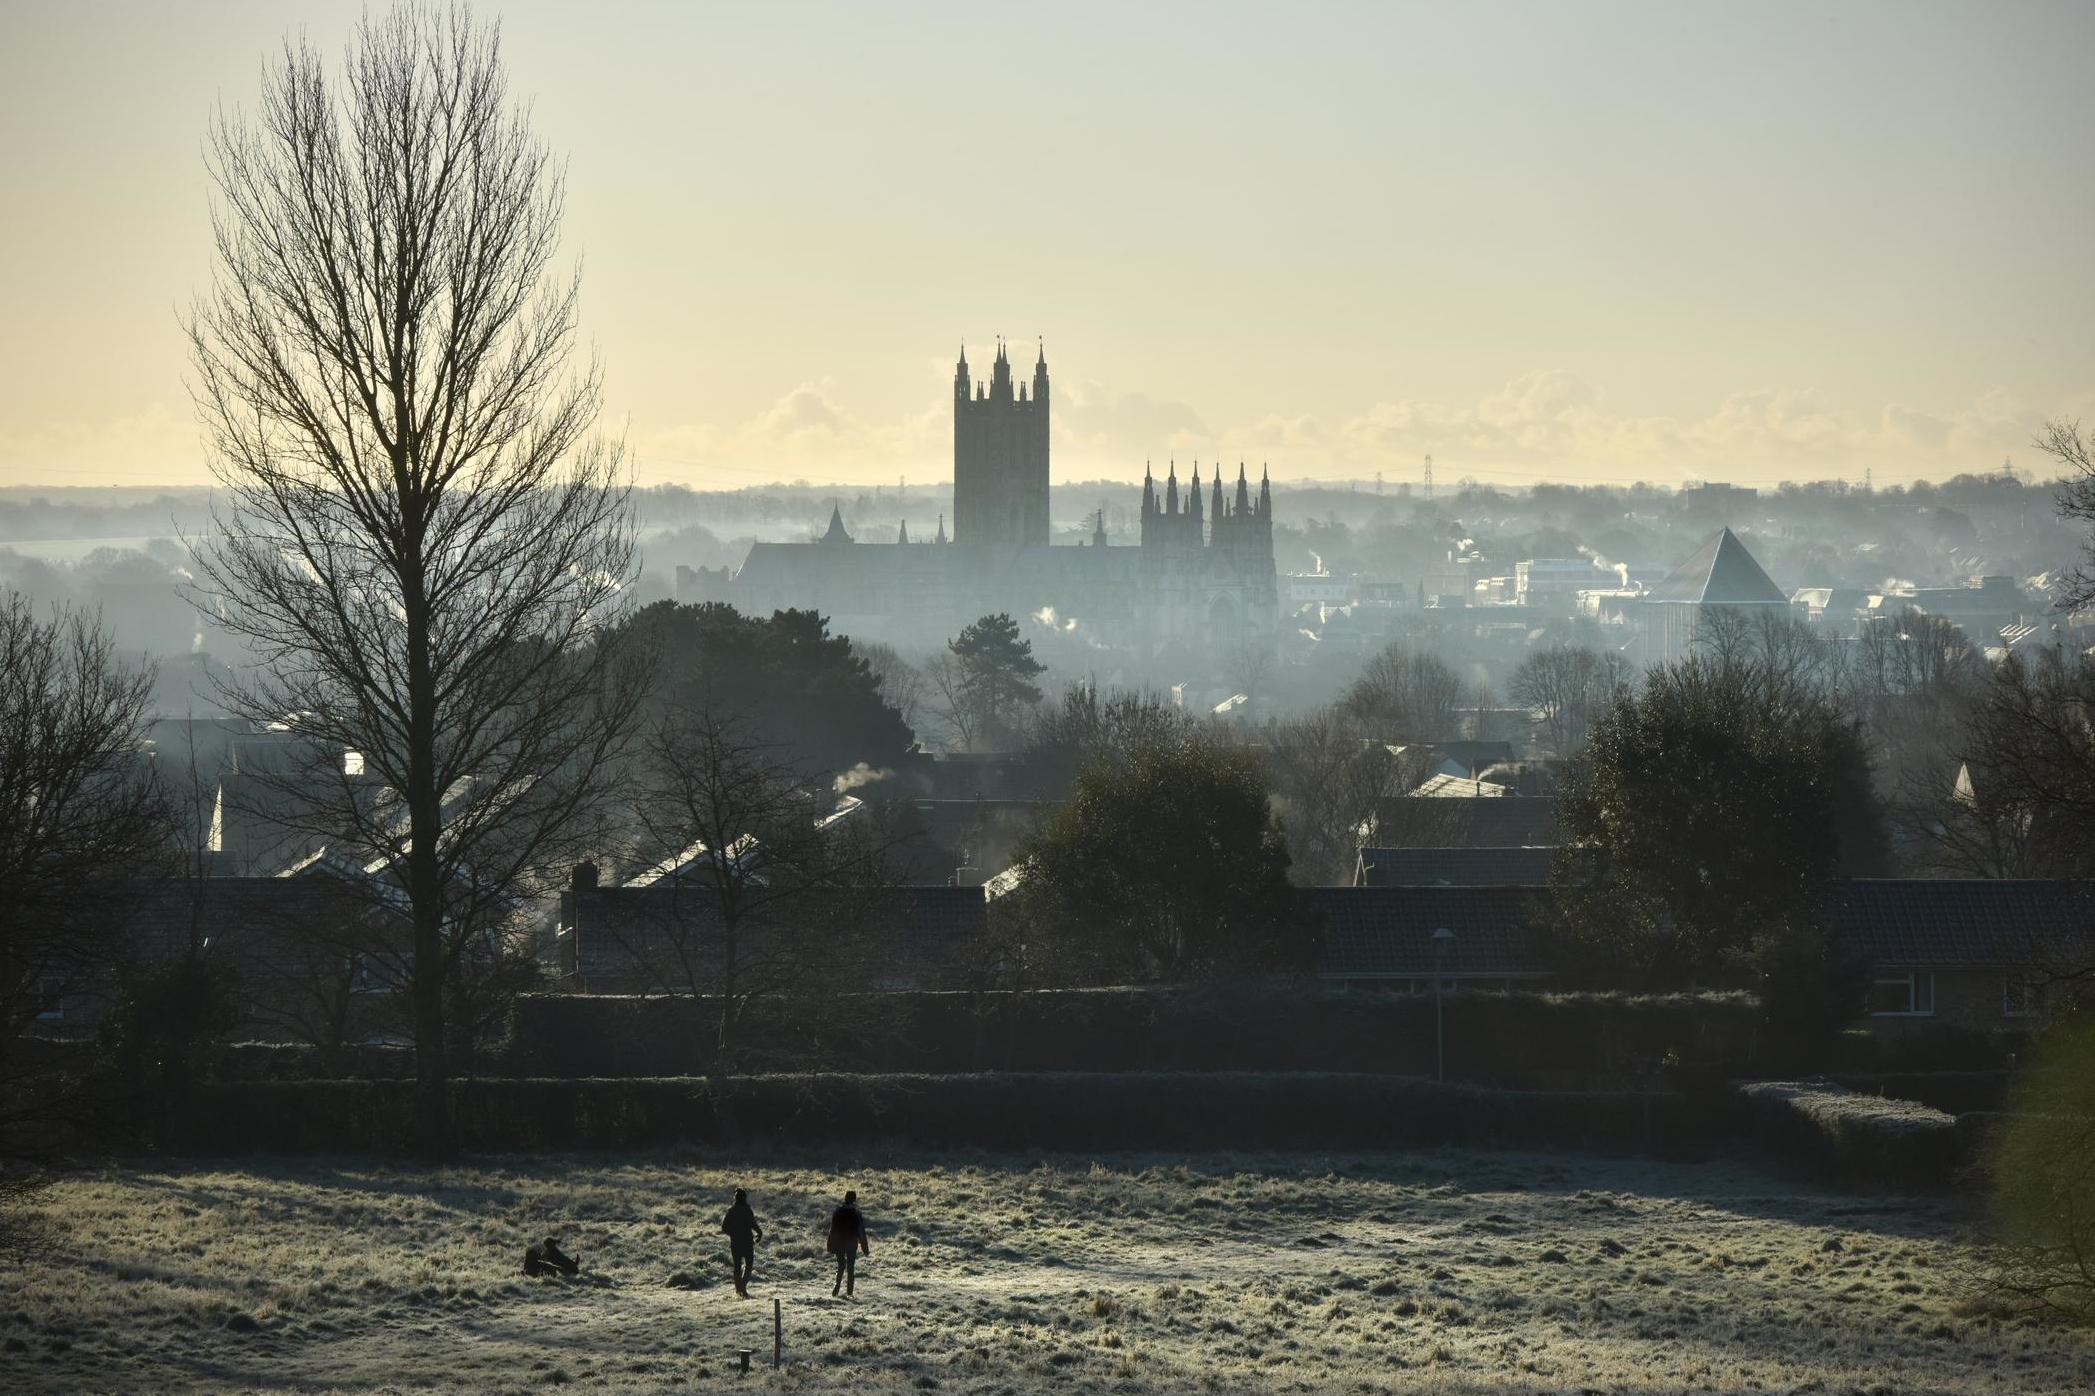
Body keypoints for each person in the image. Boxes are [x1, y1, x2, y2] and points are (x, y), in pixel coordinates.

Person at [719, 1187, 764, 1297]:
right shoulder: (745, 1210)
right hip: (747, 1242)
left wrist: (733, 1234)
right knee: (747, 1266)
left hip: (737, 1243)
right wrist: (759, 1233)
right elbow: (753, 1224)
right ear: (743, 1198)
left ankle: (739, 1289)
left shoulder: (732, 1211)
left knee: (738, 1267)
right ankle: (742, 1287)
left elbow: (724, 1227)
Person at [825, 1189, 870, 1297]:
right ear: (854, 1199)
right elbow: (861, 1231)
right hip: (851, 1242)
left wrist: (830, 1243)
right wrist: (865, 1247)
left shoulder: (837, 1211)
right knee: (851, 1267)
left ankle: (837, 1285)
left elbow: (832, 1229)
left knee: (841, 1265)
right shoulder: (856, 1212)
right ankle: (850, 1292)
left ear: (845, 1198)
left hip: (839, 1241)